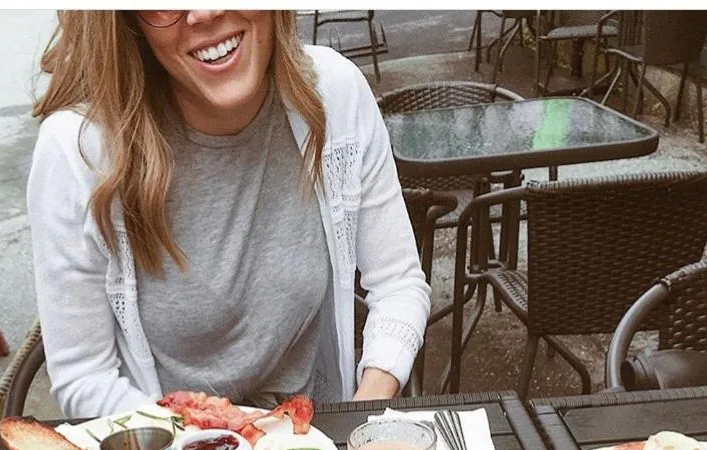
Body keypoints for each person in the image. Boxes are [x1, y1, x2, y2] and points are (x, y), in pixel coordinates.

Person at [28, 10, 430, 418]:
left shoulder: (336, 95)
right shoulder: (79, 151)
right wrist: (221, 447)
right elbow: (84, 376)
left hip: (318, 446)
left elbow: (398, 284)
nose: (205, 12)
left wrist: (359, 418)